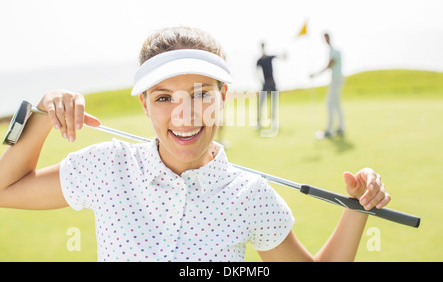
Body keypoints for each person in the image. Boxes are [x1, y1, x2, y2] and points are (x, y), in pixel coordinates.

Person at [0, 26, 391, 262]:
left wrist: (357, 208)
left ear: (223, 97)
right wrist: (40, 112)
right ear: (144, 104)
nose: (184, 115)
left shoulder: (251, 195)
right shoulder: (108, 166)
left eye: (201, 94)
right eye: (164, 98)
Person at [311, 33, 345, 137]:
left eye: (327, 38)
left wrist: (316, 74)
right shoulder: (331, 51)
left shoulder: (334, 51)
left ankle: (330, 130)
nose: (326, 40)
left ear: (329, 38)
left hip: (336, 79)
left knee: (329, 103)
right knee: (336, 104)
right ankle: (341, 128)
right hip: (336, 79)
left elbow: (330, 65)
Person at [256, 42, 284, 129]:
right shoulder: (259, 60)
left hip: (272, 83)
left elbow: (280, 57)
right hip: (265, 84)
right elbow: (257, 72)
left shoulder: (269, 57)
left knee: (274, 103)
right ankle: (259, 122)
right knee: (261, 103)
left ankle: (274, 121)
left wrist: (284, 55)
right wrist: (261, 81)